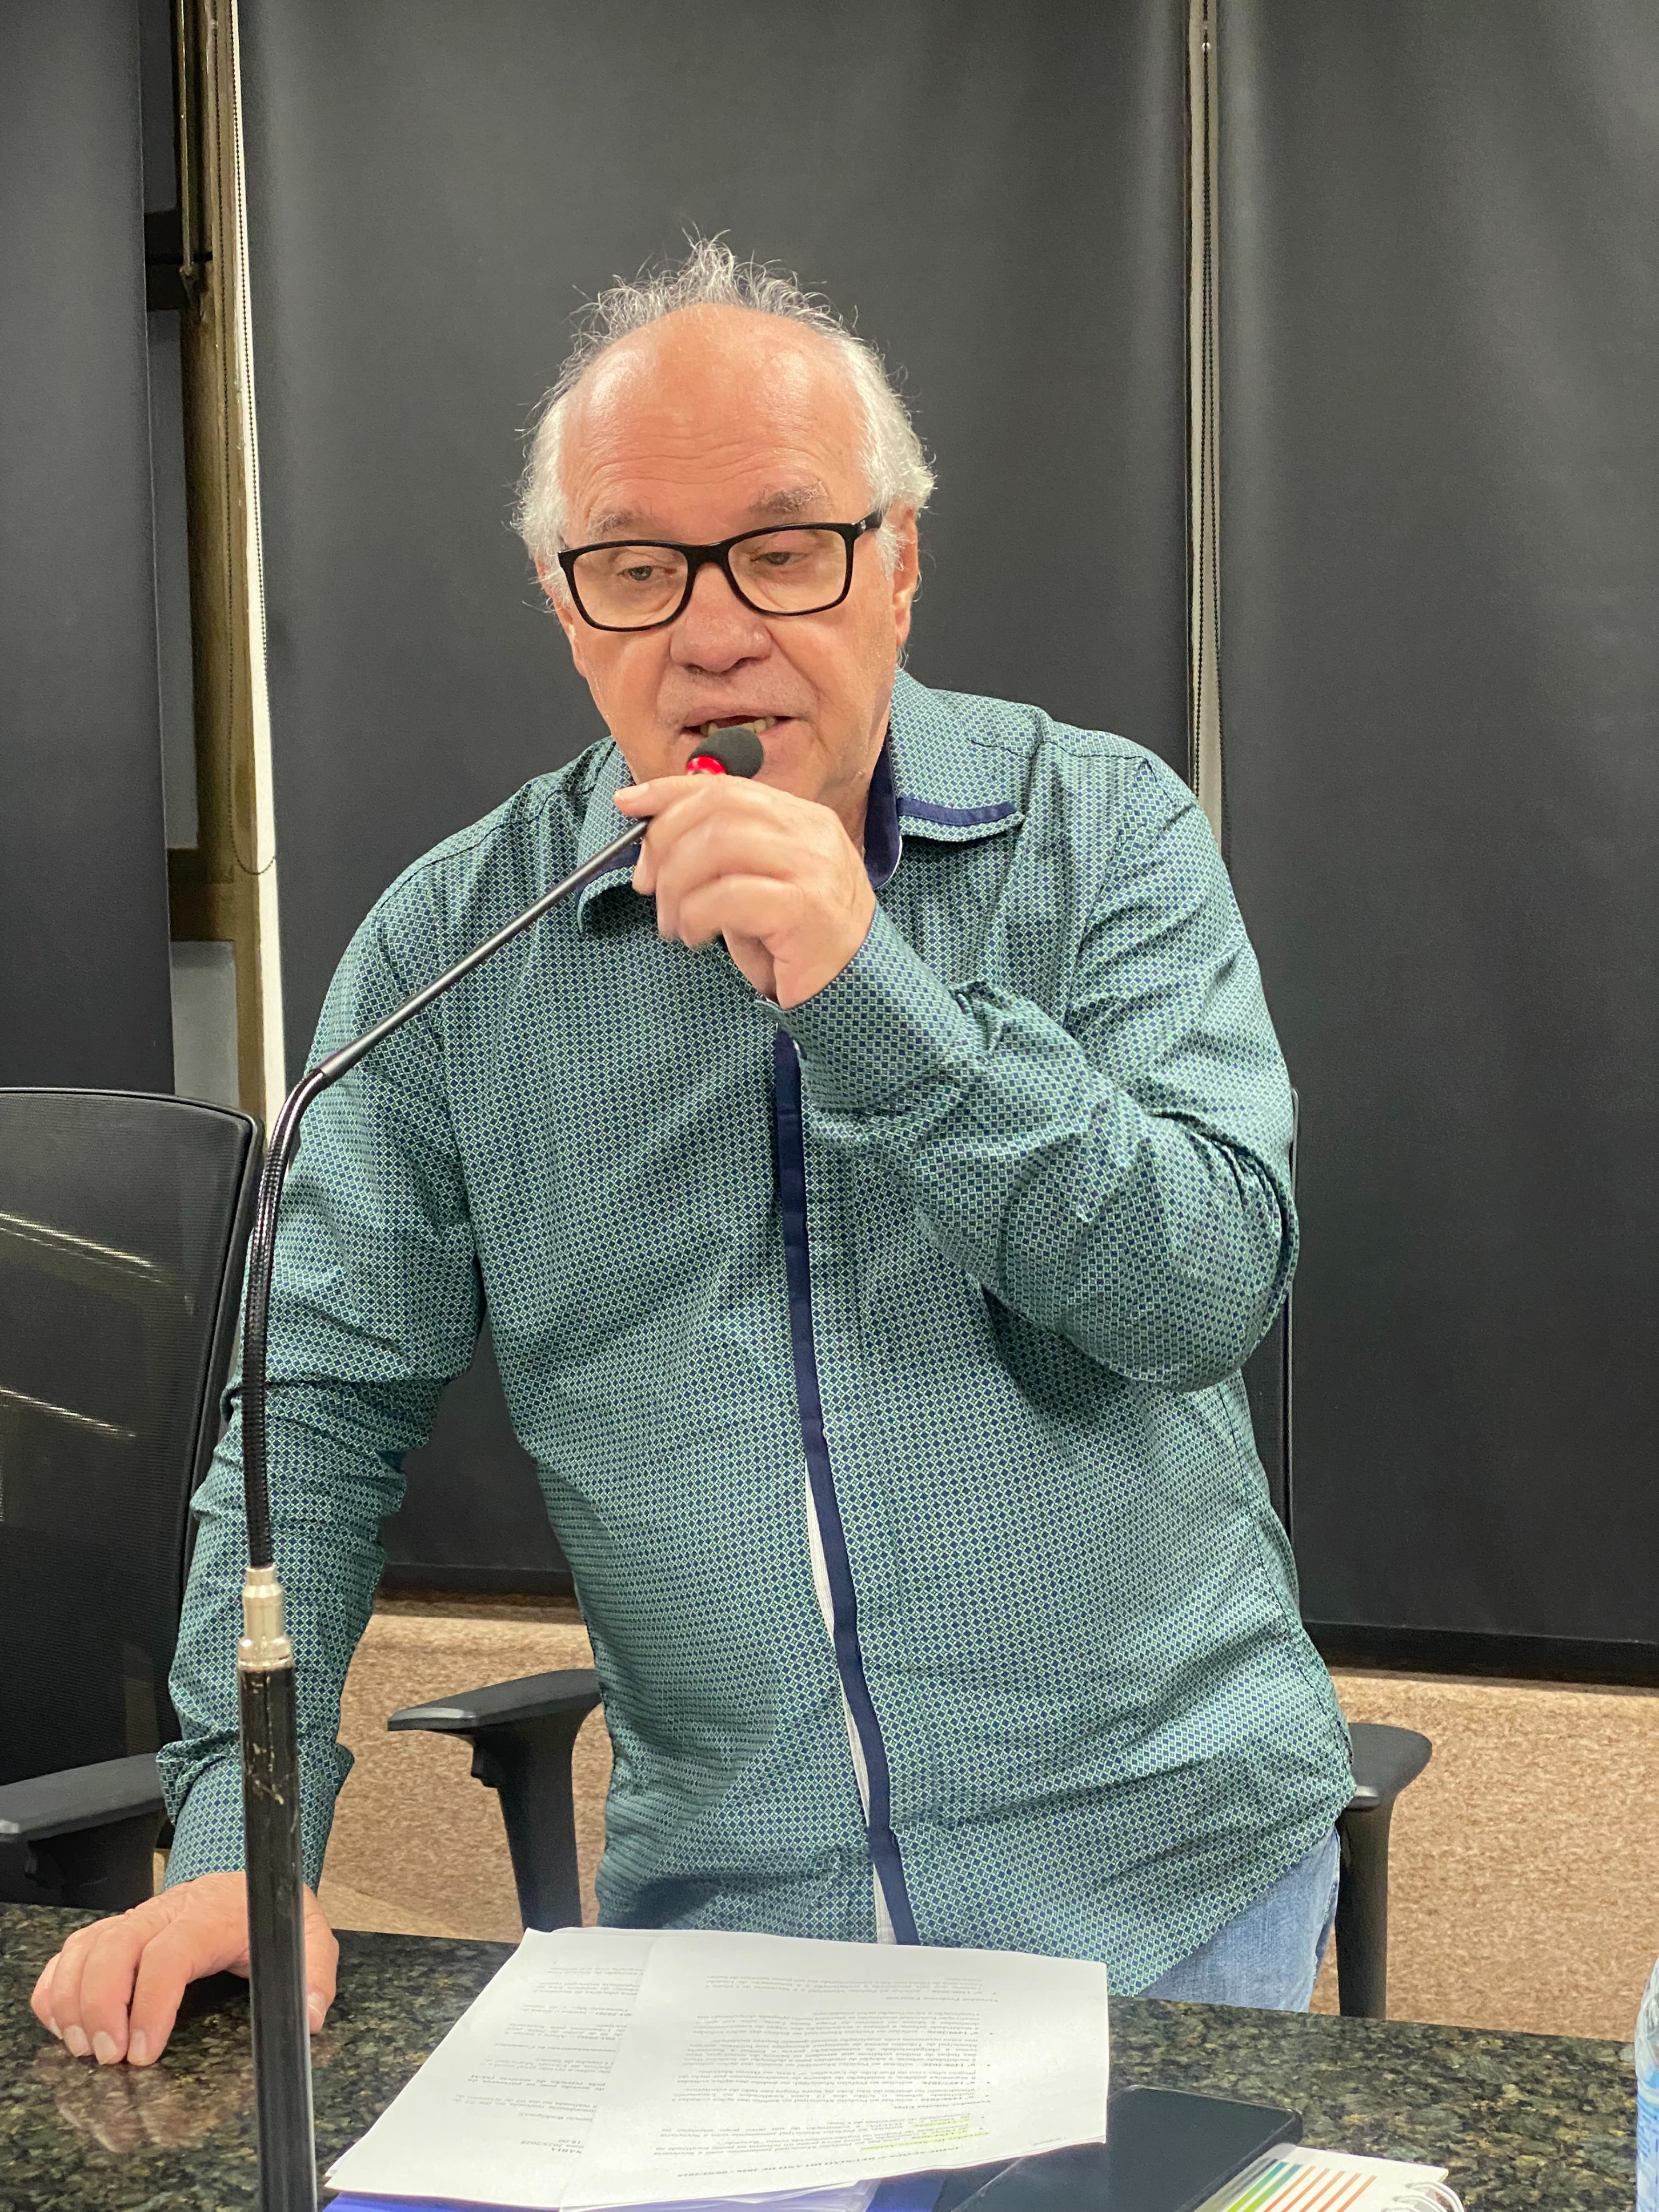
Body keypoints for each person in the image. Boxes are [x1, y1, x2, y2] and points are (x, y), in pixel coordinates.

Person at [33, 242, 1352, 2069]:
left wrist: (873, 993)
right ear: (568, 611)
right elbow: (313, 1423)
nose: (714, 632)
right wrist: (235, 1853)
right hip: (739, 1934)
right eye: (640, 570)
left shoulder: (1103, 830)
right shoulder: (457, 946)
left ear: (900, 563)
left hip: (1162, 1887)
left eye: (786, 551)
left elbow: (1200, 1288)